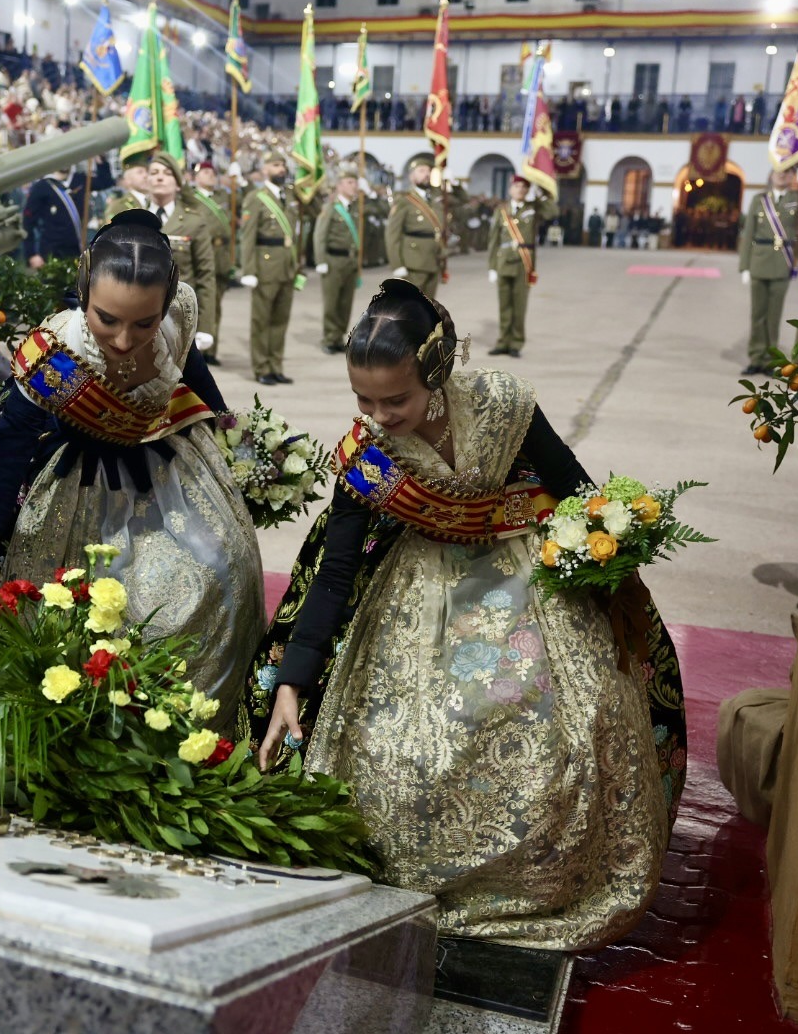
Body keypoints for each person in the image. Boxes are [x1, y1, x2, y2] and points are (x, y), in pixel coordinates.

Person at [246, 279, 682, 948]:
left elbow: (573, 489)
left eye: (396, 400)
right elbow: (333, 574)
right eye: (362, 399)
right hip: (414, 593)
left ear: (438, 373)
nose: (378, 415)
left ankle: (545, 879)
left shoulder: (505, 406)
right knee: (404, 742)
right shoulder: (368, 457)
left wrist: (609, 568)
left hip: (526, 582)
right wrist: (294, 683)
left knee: (583, 714)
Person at [0, 211, 264, 729]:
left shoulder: (181, 313)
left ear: (167, 304)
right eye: (107, 319)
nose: (124, 340)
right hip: (76, 490)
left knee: (222, 574)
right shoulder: (54, 357)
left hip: (173, 471)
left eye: (144, 323)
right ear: (84, 290)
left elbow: (194, 375)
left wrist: (237, 444)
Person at [737, 168, 798, 375]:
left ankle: (770, 359)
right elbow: (749, 233)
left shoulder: (797, 199)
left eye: (787, 172)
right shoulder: (759, 199)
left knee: (774, 315)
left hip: (782, 263)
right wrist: (744, 266)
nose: (782, 175)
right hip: (759, 262)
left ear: (792, 176)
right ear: (770, 174)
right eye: (778, 171)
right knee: (757, 314)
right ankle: (756, 357)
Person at [237, 151, 303, 385]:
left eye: (283, 165)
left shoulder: (290, 195)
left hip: (286, 267)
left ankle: (276, 365)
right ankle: (261, 367)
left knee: (280, 322)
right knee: (261, 321)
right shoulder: (256, 198)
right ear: (265, 169)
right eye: (276, 165)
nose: (281, 169)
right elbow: (248, 237)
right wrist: (249, 271)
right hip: (265, 267)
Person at [143, 153, 218, 356]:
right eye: (154, 173)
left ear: (177, 184)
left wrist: (206, 327)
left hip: (180, 323)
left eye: (167, 174)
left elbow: (206, 277)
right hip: (137, 323)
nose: (159, 178)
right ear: (147, 180)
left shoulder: (194, 221)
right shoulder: (132, 217)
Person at [485, 175, 556, 357]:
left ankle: (516, 343)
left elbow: (552, 213)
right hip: (503, 263)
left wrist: (541, 194)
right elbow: (493, 240)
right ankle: (502, 341)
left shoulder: (533, 209)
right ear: (510, 189)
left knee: (519, 305)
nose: (520, 190)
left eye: (524, 188)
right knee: (504, 305)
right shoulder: (501, 211)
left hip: (524, 264)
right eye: (517, 187)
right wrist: (492, 266)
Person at [186, 160, 233, 364]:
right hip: (201, 253)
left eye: (212, 172)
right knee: (199, 305)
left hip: (220, 254)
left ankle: (211, 350)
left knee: (215, 305)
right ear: (196, 177)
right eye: (204, 172)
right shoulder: (190, 198)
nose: (210, 175)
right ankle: (196, 352)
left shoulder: (222, 197)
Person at [384, 153, 448, 299]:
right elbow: (392, 233)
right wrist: (397, 264)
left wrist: (452, 183)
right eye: (421, 171)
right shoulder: (404, 200)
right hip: (412, 262)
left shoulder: (436, 197)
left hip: (433, 259)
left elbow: (461, 199)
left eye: (428, 171)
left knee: (429, 310)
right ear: (412, 177)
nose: (426, 175)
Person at [313, 170, 362, 355]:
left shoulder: (356, 208)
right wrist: (321, 260)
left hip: (350, 261)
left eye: (355, 182)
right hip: (333, 260)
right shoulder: (331, 208)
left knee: (345, 302)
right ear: (340, 185)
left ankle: (339, 335)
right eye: (349, 182)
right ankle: (329, 337)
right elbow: (320, 235)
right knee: (332, 302)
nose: (353, 186)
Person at [22, 166, 84, 269]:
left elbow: (105, 181)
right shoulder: (41, 187)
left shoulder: (78, 180)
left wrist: (100, 159)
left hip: (76, 251)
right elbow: (27, 222)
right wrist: (31, 254)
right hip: (51, 254)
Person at [102, 154, 150, 222]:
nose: (145, 175)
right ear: (128, 179)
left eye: (148, 172)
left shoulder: (158, 202)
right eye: (140, 172)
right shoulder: (119, 207)